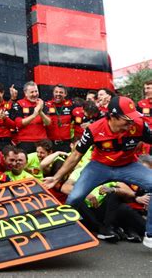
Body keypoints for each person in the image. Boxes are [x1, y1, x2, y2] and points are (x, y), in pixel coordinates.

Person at [44, 96, 152, 249]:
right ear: (113, 116)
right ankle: (60, 235)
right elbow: (75, 155)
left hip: (128, 165)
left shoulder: (139, 125)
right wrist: (56, 178)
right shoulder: (94, 129)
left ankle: (150, 235)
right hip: (99, 167)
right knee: (74, 197)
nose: (131, 123)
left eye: (133, 119)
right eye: (127, 120)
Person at [10, 81, 51, 153]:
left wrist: (40, 112)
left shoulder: (42, 103)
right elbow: (19, 123)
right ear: (25, 93)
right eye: (32, 92)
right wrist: (34, 115)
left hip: (42, 141)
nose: (35, 94)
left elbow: (48, 123)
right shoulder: (19, 104)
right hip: (25, 142)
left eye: (36, 91)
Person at [45, 84, 74, 152]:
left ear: (65, 94)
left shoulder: (71, 106)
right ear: (53, 93)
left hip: (66, 144)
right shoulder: (46, 105)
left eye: (61, 92)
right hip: (50, 143)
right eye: (56, 92)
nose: (58, 94)